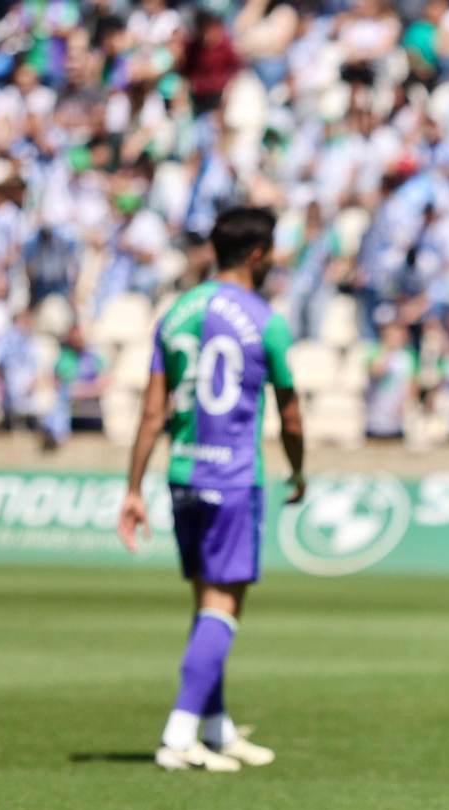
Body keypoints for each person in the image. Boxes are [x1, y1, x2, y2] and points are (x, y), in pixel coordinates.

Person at [116, 206, 305, 773]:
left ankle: (217, 729)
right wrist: (298, 471)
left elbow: (152, 412)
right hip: (232, 479)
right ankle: (178, 735)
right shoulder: (264, 319)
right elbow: (290, 416)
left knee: (207, 606)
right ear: (255, 255)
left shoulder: (176, 312)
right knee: (224, 607)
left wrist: (133, 489)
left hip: (182, 476)